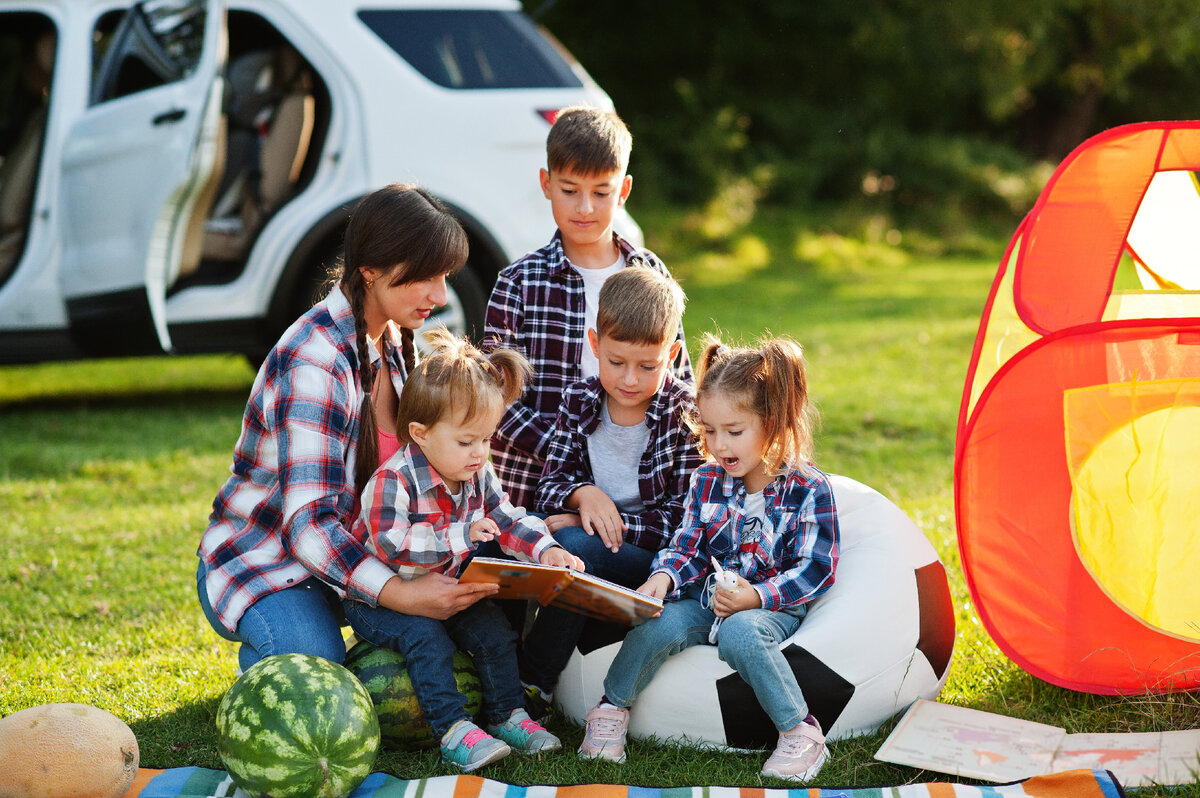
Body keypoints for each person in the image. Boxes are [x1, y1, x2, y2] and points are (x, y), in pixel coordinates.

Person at [196, 184, 498, 673]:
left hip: (357, 553)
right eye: (423, 277)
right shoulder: (313, 361)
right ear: (370, 271)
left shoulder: (396, 342)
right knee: (316, 667)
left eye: (443, 276)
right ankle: (274, 658)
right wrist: (401, 594)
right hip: (268, 561)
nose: (440, 296)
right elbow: (307, 524)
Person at [576, 333, 841, 783]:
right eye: (710, 431)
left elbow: (817, 567)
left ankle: (801, 730)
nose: (719, 445)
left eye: (734, 432)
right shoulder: (706, 481)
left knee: (740, 633)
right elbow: (688, 545)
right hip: (706, 597)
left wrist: (756, 596)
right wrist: (662, 577)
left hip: (769, 606)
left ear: (773, 422)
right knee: (656, 623)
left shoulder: (808, 489)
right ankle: (610, 708)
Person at [344, 327, 585, 772]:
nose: (479, 454)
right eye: (466, 441)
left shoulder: (476, 472)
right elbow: (391, 545)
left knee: (495, 634)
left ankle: (509, 715)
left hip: (446, 588)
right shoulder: (392, 480)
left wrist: (546, 550)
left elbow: (507, 517)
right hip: (381, 600)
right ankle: (454, 730)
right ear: (420, 433)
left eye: (486, 439)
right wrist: (462, 535)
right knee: (427, 640)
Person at [484, 105, 692, 513]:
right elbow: (493, 397)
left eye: (601, 193)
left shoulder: (650, 271)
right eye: (569, 190)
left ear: (624, 191)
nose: (584, 208)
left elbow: (677, 378)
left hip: (642, 491)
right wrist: (571, 458)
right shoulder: (519, 283)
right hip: (541, 487)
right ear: (546, 183)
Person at [519, 266, 703, 715]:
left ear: (672, 353)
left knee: (579, 545)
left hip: (656, 563)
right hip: (593, 542)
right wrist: (584, 496)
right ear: (595, 344)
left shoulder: (686, 414)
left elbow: (684, 520)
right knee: (543, 535)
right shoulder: (579, 400)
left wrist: (604, 522)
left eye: (648, 366)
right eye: (616, 362)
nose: (629, 380)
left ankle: (532, 681)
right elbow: (551, 486)